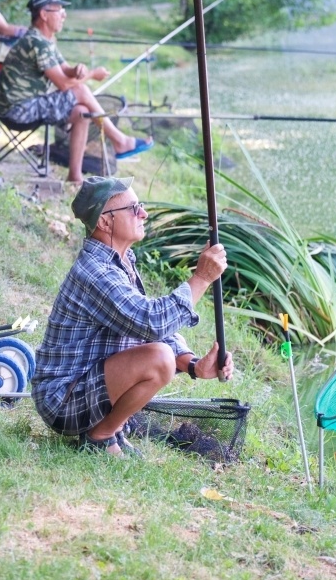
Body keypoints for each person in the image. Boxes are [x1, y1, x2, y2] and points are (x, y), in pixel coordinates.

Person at [31, 176, 233, 456]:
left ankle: (109, 430)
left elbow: (144, 326)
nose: (143, 213)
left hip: (83, 387)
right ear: (104, 222)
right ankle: (100, 437)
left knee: (161, 354)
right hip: (62, 401)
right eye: (133, 208)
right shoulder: (96, 272)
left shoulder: (121, 261)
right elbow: (150, 322)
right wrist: (200, 279)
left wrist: (193, 365)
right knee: (159, 358)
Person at [0, 0, 153, 183]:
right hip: (17, 111)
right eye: (59, 10)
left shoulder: (45, 40)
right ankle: (119, 141)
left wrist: (77, 69)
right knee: (81, 91)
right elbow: (63, 84)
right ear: (44, 15)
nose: (64, 15)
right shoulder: (36, 42)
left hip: (23, 106)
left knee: (82, 111)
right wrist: (92, 75)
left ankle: (74, 177)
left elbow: (65, 70)